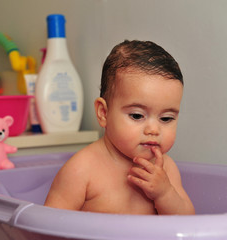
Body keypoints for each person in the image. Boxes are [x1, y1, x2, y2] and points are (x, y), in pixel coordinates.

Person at [44, 40, 195, 215]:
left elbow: (188, 222)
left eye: (166, 118)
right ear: (103, 113)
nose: (154, 129)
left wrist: (165, 194)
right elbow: (49, 226)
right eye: (137, 116)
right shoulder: (81, 170)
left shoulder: (166, 169)